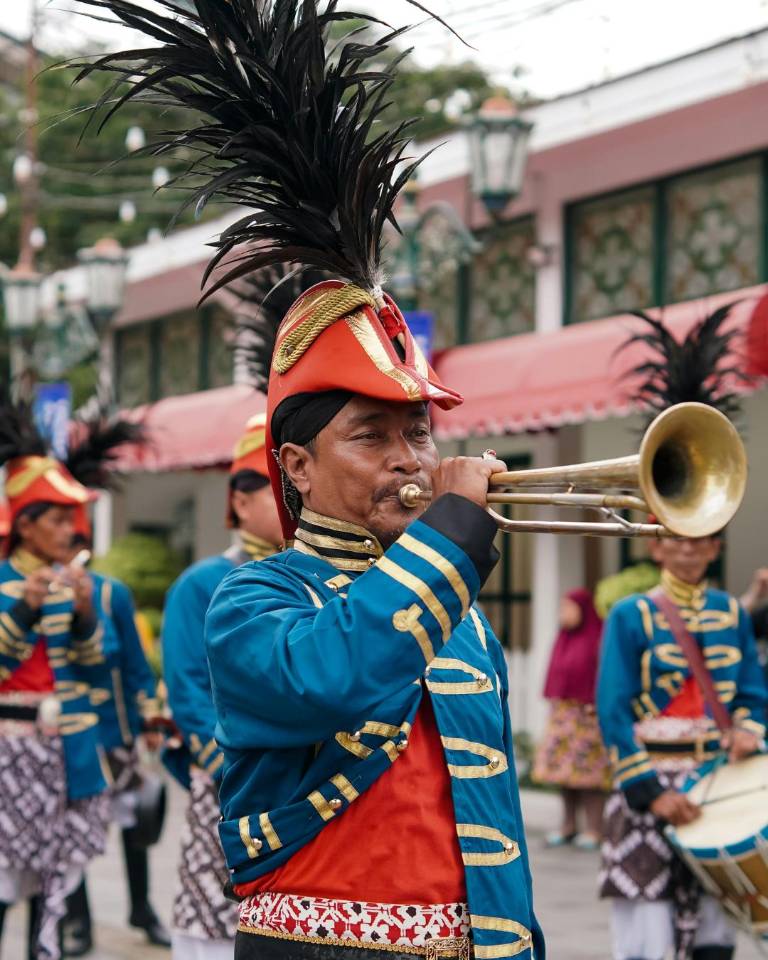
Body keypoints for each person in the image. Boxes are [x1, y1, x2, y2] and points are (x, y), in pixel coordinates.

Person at [74, 4, 544, 959]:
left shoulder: (457, 612)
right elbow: (333, 677)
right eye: (371, 435)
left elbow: (493, 820)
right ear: (294, 465)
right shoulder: (252, 600)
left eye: (417, 431)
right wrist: (451, 539)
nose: (409, 458)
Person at [597, 308, 768, 960]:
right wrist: (650, 792)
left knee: (716, 939)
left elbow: (753, 694)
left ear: (715, 545)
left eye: (702, 540)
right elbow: (613, 712)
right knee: (649, 935)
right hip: (652, 790)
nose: (690, 548)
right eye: (676, 538)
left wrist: (750, 729)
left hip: (720, 781)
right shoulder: (631, 615)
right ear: (657, 545)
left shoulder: (730, 614)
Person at [161, 413, 281, 960]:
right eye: (274, 489)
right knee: (215, 911)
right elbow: (187, 691)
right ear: (240, 501)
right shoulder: (203, 583)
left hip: (303, 776)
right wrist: (232, 768)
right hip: (230, 775)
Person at [0, 396, 110, 960]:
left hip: (67, 749)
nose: (72, 530)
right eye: (59, 519)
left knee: (54, 887)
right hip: (9, 754)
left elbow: (93, 664)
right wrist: (24, 609)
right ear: (25, 525)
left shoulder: (72, 584)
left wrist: (87, 613)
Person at [59, 415, 170, 955]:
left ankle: (142, 908)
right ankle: (77, 920)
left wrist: (149, 720)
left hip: (117, 729)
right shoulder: (28, 593)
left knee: (134, 825)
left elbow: (135, 663)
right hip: (67, 735)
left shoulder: (111, 594)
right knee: (73, 832)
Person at [532, 588, 610, 850]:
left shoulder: (598, 638)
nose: (563, 613)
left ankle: (594, 829)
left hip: (588, 716)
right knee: (563, 775)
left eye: (569, 608)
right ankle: (568, 826)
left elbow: (603, 675)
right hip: (563, 716)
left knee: (589, 775)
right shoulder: (564, 638)